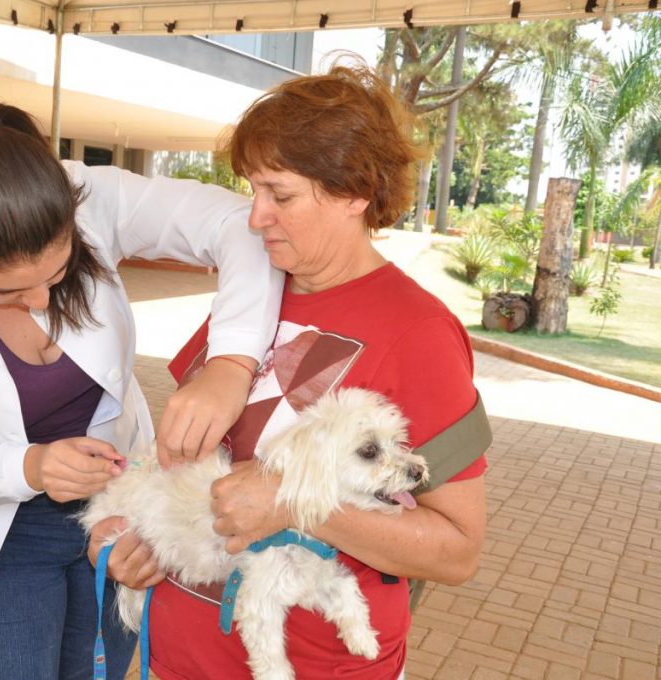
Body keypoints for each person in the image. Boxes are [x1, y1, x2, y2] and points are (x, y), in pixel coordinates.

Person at [88, 63, 490, 680]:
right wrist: (127, 537)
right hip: (179, 656)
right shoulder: (254, 291)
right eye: (253, 190)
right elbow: (187, 464)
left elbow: (457, 550)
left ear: (356, 191)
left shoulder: (421, 333)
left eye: (281, 194)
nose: (256, 217)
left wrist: (295, 499)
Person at [0, 99, 283, 679]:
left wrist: (230, 364)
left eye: (57, 277)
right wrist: (30, 467)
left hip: (118, 512)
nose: (38, 302)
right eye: (5, 293)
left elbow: (238, 222)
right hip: (3, 534)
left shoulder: (90, 196)